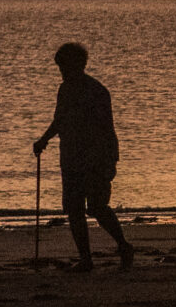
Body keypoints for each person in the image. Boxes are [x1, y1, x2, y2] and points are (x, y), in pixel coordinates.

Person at [32, 41, 138, 271]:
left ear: (75, 65)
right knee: (75, 208)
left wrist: (109, 158)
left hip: (94, 157)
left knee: (96, 206)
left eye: (63, 66)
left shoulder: (95, 90)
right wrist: (44, 140)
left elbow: (105, 128)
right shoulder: (68, 88)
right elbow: (60, 120)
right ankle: (86, 258)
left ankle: (123, 246)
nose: (60, 71)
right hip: (72, 157)